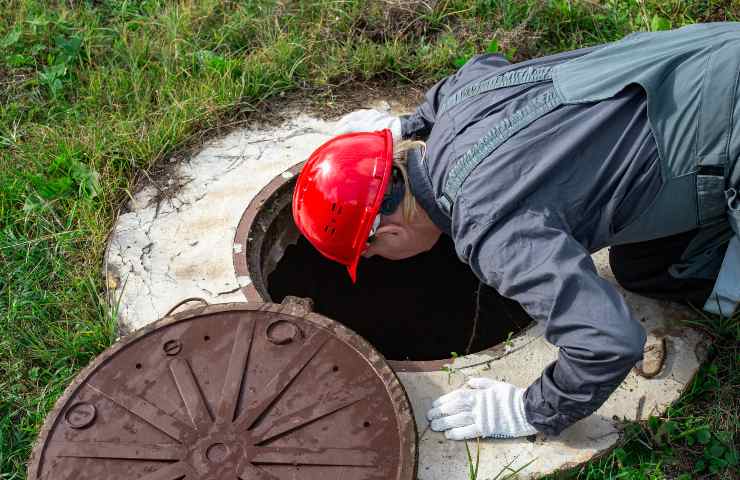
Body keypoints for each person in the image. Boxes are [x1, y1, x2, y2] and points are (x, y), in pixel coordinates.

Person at [292, 23, 740, 440]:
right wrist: (406, 125)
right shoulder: (462, 105)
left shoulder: (489, 229)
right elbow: (472, 71)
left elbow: (608, 343)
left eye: (369, 255)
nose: (378, 261)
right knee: (646, 268)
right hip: (713, 54)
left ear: (386, 233)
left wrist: (528, 411)